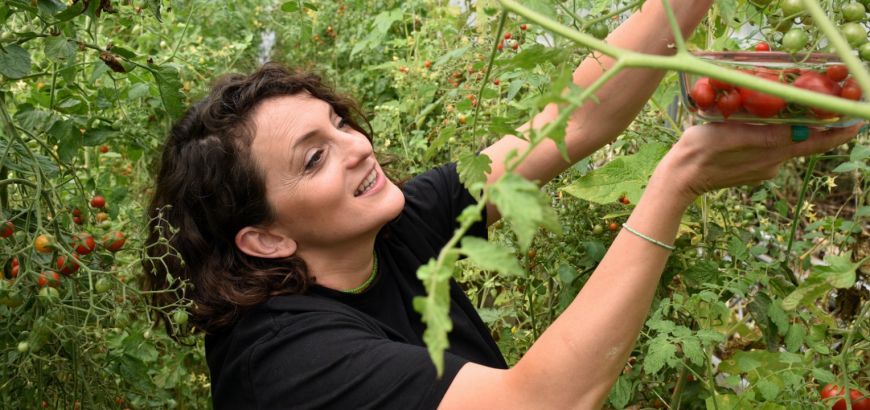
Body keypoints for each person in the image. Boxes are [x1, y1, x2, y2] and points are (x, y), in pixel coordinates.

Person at [142, 0, 863, 409]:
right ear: (265, 239)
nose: (357, 146)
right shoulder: (282, 363)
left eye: (337, 123)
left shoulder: (387, 230)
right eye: (314, 157)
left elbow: (569, 122)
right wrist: (678, 180)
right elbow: (540, 403)